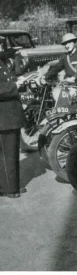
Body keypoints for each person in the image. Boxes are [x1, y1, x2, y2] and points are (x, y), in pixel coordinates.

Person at [0, 59, 25, 198]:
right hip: (4, 117)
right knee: (7, 154)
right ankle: (10, 189)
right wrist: (15, 85)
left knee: (11, 153)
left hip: (9, 116)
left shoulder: (1, 62)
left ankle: (11, 185)